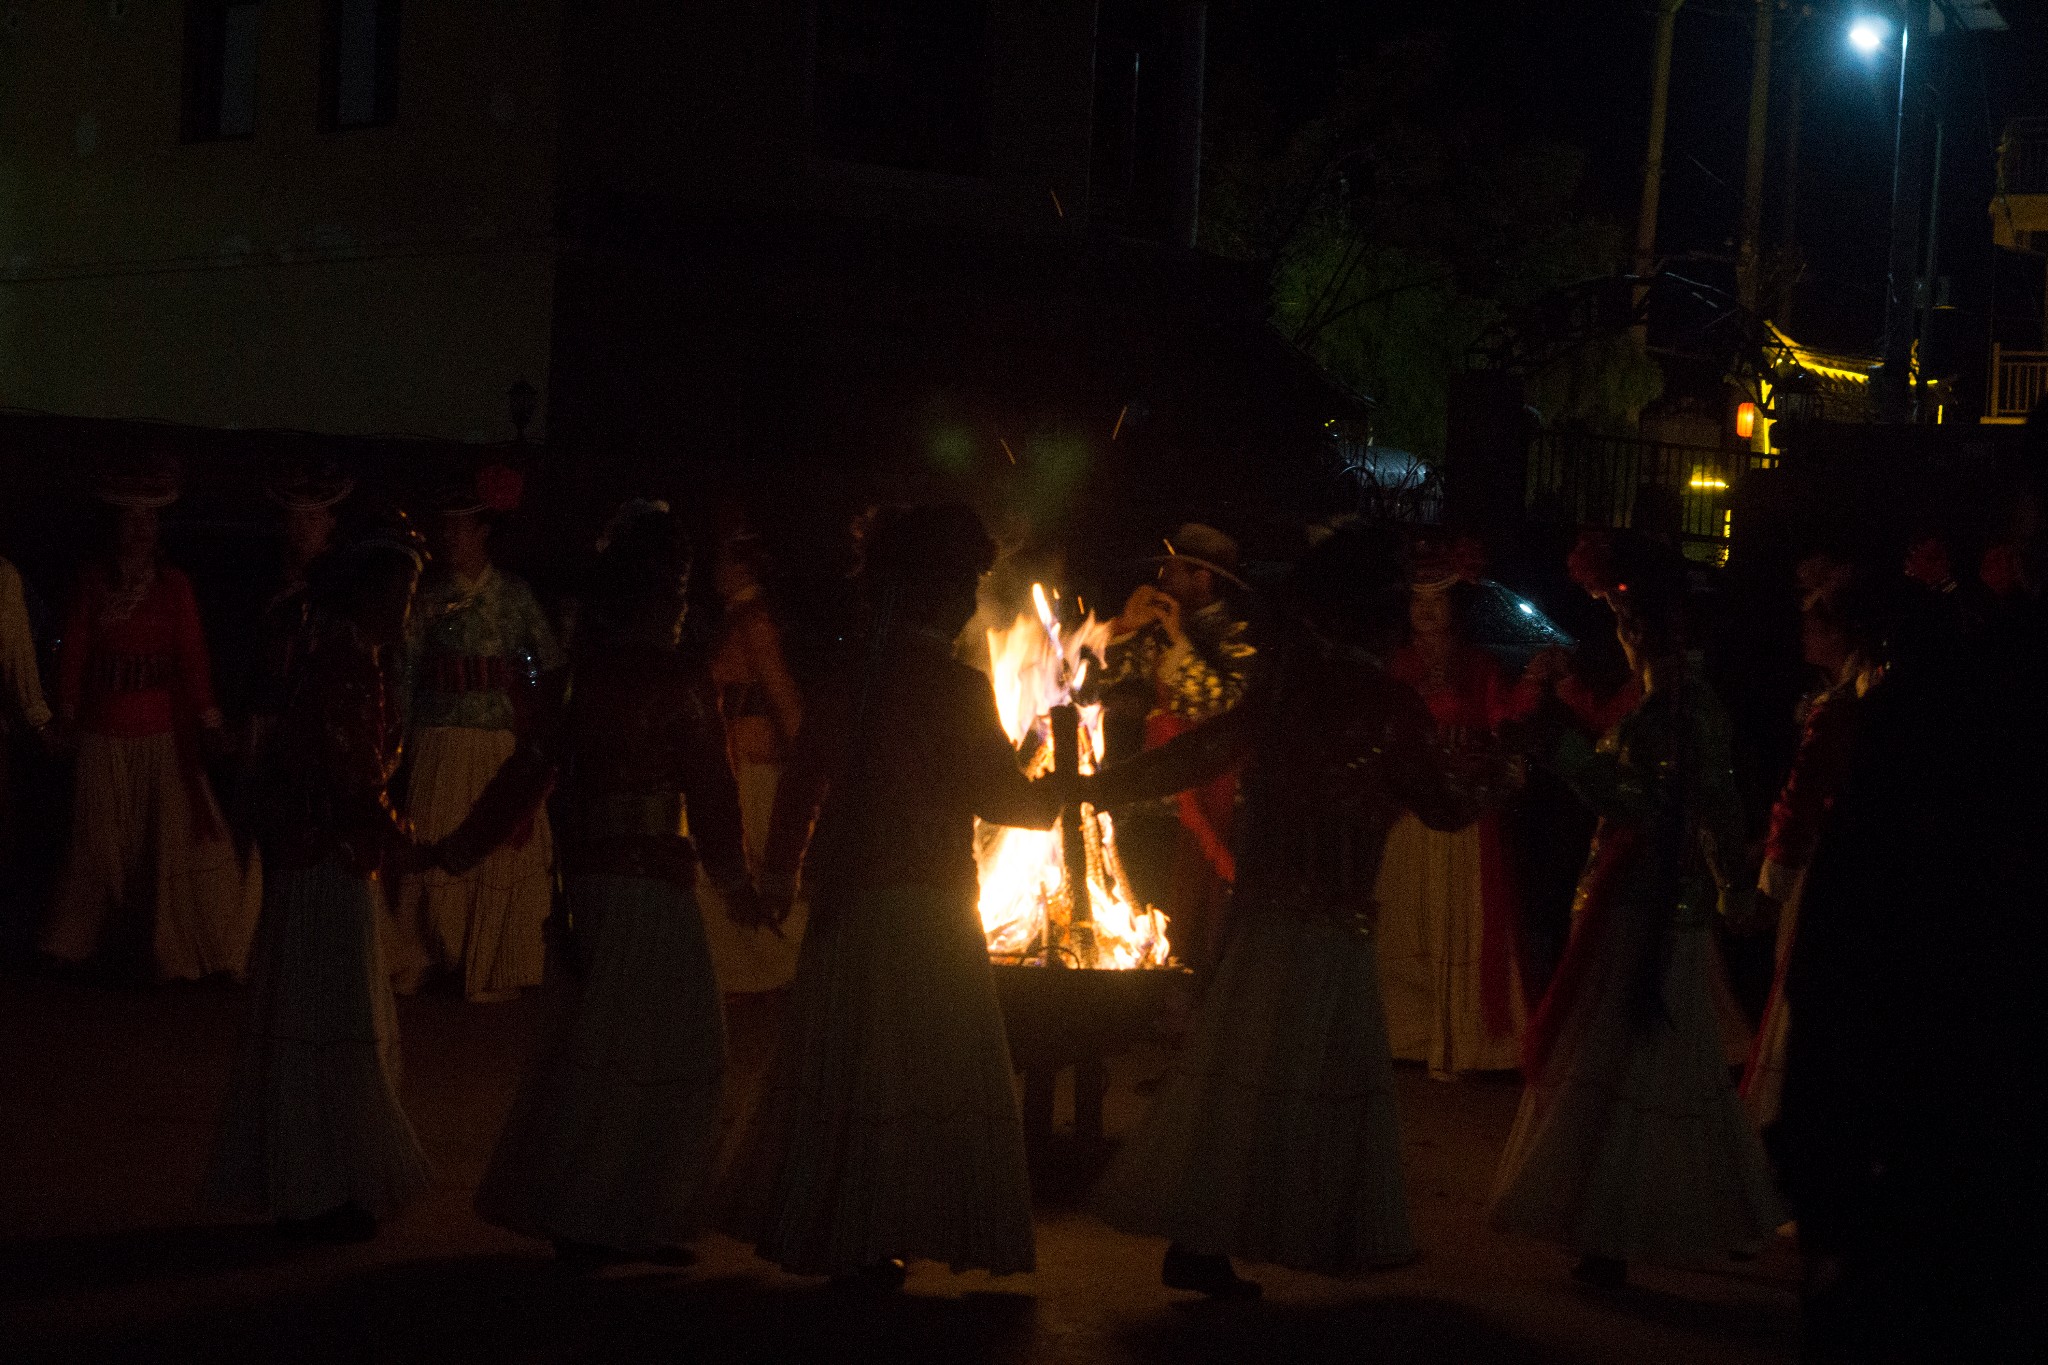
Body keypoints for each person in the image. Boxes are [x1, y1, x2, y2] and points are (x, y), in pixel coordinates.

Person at [1087, 522, 1500, 1298]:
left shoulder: (1288, 695)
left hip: (1267, 919)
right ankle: (1304, 1237)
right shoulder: (1386, 704)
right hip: (1332, 926)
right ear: (1374, 621)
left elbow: (1196, 752)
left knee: (1241, 1080)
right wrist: (1514, 767)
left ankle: (1207, 1243)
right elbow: (1445, 806)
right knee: (1312, 1085)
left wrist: (1086, 791)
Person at [718, 502, 1060, 1291]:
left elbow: (805, 781)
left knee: (859, 1075)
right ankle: (886, 1229)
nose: (975, 602)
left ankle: (857, 1230)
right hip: (931, 910)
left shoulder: (852, 675)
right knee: (913, 1077)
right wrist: (1055, 773)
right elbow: (1010, 802)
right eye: (968, 585)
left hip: (849, 909)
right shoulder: (954, 685)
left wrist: (778, 876)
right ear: (937, 592)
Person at [469, 502, 761, 1269]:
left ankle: (615, 1213)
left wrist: (457, 848)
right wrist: (738, 883)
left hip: (590, 886)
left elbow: (525, 774)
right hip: (651, 889)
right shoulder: (678, 677)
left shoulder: (579, 678)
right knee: (679, 1046)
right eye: (680, 586)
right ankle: (620, 1211)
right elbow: (713, 790)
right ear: (663, 592)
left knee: (599, 1045)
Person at [1488, 532, 1779, 1289]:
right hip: (1642, 902)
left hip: (1646, 907)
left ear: (1645, 627)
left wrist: (1566, 753)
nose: (1618, 630)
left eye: (1624, 617)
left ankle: (1625, 1232)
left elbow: (1663, 806)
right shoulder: (1668, 701)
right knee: (1666, 1071)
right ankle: (1708, 1215)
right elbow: (1703, 804)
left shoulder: (1677, 707)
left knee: (1633, 1065)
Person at [203, 517, 434, 1243]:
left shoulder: (353, 659)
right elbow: (357, 777)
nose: (407, 608)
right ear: (368, 596)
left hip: (327, 859)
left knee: (323, 1019)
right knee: (331, 1019)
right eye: (400, 592)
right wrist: (416, 847)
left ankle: (322, 1178)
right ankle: (321, 1183)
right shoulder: (344, 666)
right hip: (325, 862)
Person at [41, 458, 259, 981]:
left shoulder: (174, 586)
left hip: (160, 735)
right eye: (129, 520)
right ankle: (81, 947)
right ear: (115, 526)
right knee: (98, 844)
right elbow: (74, 652)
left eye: (148, 521)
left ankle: (167, 950)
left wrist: (209, 722)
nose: (139, 531)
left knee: (166, 849)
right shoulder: (93, 584)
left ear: (157, 528)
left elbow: (192, 656)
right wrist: (67, 715)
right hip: (103, 735)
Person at [390, 468, 563, 1003]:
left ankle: (494, 966)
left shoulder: (514, 598)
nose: (451, 537)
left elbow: (547, 666)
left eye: (461, 527)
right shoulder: (425, 600)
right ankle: (424, 957)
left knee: (495, 846)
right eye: (445, 528)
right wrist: (394, 741)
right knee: (433, 841)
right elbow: (404, 673)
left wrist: (538, 728)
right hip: (438, 738)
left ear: (482, 531)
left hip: (496, 743)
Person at [1739, 562, 1885, 1130]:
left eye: (1815, 625)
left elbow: (1804, 796)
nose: (1803, 635)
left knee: (1800, 970)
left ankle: (1787, 1112)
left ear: (1840, 634)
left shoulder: (1842, 708)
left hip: (1825, 862)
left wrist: (1773, 867)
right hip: (1848, 857)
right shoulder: (1853, 696)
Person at [1375, 540, 1526, 1077]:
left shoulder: (1480, 666)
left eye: (1436, 603)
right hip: (1413, 812)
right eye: (1418, 603)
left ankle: (1467, 1040)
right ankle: (1409, 1034)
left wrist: (1534, 687)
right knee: (1408, 918)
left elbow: (1506, 719)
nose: (1426, 613)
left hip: (1462, 814)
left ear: (1453, 610)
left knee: (1460, 920)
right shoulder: (1398, 666)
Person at [1092, 522, 1257, 974]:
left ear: (1202, 578)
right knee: (1145, 909)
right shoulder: (1155, 628)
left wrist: (1180, 641)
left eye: (1173, 569)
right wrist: (1125, 627)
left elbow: (1224, 701)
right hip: (1151, 798)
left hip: (1211, 802)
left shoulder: (1239, 635)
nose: (1162, 578)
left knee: (1202, 922)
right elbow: (1094, 688)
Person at [700, 522, 806, 994]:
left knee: (760, 865)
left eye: (723, 561)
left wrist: (808, 770)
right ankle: (740, 971)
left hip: (758, 767)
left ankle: (781, 966)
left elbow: (785, 701)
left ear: (743, 567)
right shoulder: (737, 619)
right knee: (734, 868)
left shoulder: (756, 623)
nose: (715, 571)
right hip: (737, 763)